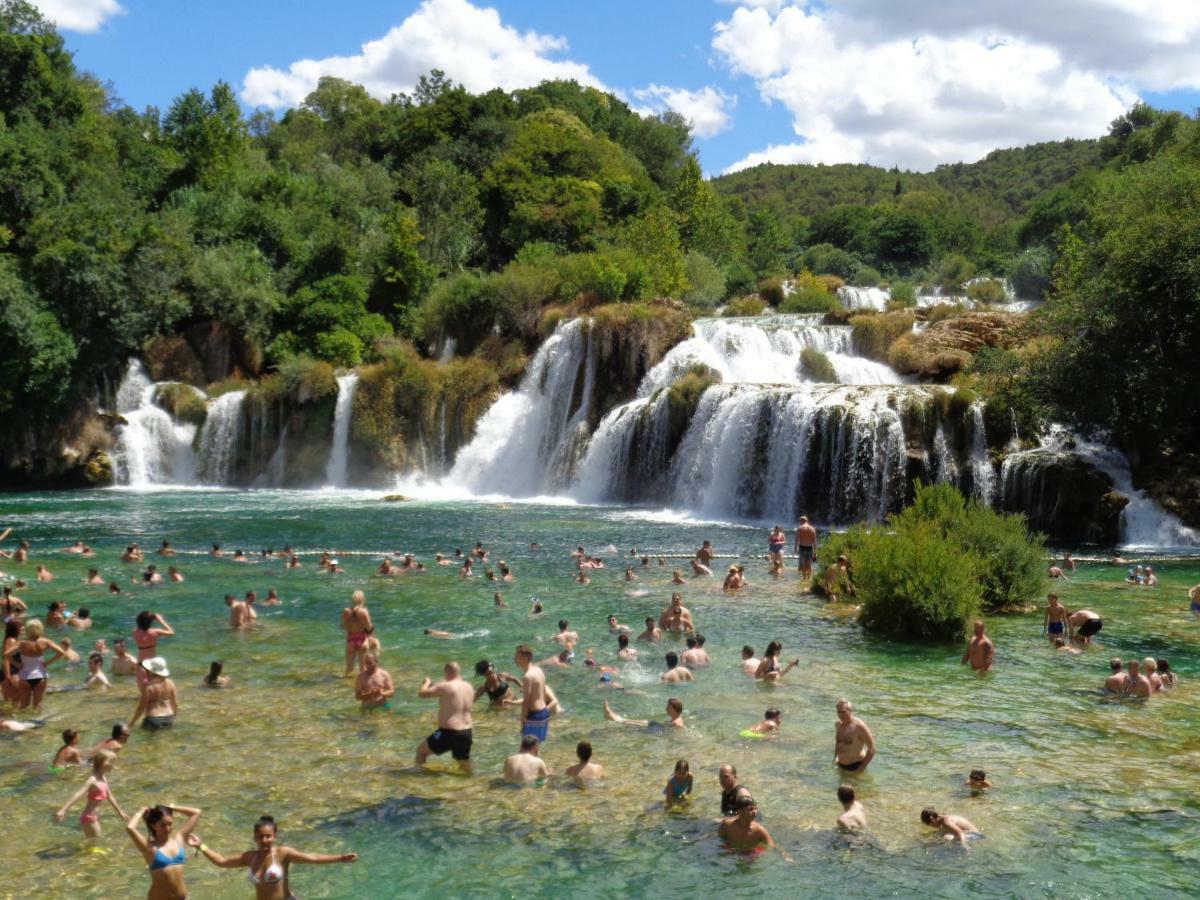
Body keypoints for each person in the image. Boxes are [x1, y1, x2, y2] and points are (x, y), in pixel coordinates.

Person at [186, 814, 357, 900]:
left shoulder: (283, 853)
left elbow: (311, 858)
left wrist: (340, 857)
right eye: (261, 836)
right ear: (255, 837)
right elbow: (222, 862)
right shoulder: (249, 857)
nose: (264, 840)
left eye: (268, 836)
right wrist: (201, 846)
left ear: (275, 836)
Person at [124, 803, 202, 899]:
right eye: (163, 825)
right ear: (153, 826)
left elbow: (196, 813)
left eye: (170, 824)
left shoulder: (179, 840)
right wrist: (141, 812)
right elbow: (130, 827)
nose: (168, 829)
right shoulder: (149, 847)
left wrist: (172, 807)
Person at [416, 661, 475, 772]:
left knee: (421, 752)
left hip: (447, 732)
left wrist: (426, 682)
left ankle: (421, 779)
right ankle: (470, 784)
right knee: (463, 763)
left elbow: (422, 693)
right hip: (466, 733)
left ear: (447, 672)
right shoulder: (469, 687)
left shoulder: (444, 686)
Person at [55, 750, 126, 839]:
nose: (114, 766)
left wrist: (120, 812)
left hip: (94, 817)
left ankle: (85, 852)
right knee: (97, 840)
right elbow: (79, 794)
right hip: (89, 817)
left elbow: (110, 796)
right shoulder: (93, 780)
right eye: (112, 762)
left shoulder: (103, 778)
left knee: (91, 842)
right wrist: (63, 810)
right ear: (103, 764)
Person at [17, 618, 68, 711]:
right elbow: (61, 652)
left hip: (24, 676)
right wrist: (48, 663)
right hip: (40, 676)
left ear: (28, 629)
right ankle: (38, 724)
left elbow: (6, 654)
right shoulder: (45, 641)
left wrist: (16, 664)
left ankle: (22, 722)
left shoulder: (22, 643)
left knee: (23, 705)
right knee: (38, 705)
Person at [128, 657, 178, 729]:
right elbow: (175, 704)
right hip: (169, 717)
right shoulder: (171, 683)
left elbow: (141, 708)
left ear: (151, 671)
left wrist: (131, 724)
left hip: (153, 719)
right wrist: (174, 718)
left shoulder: (148, 687)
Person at [516, 645, 551, 744]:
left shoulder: (527, 677)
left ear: (526, 657)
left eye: (517, 656)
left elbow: (527, 701)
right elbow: (544, 693)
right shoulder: (538, 670)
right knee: (535, 747)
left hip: (534, 716)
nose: (515, 659)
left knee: (527, 750)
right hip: (544, 713)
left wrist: (522, 721)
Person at [132, 611, 175, 688]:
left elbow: (140, 627)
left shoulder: (135, 632)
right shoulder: (155, 632)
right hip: (153, 663)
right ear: (150, 622)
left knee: (143, 690)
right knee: (156, 689)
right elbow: (171, 632)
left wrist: (147, 619)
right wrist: (161, 620)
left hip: (141, 663)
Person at [834, 699, 876, 772]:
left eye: (843, 712)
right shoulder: (838, 724)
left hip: (855, 766)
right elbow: (838, 742)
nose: (840, 715)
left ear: (850, 711)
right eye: (838, 712)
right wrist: (835, 758)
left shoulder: (859, 727)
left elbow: (872, 749)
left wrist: (860, 769)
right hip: (840, 765)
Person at [341, 591, 372, 676]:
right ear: (362, 600)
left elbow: (344, 626)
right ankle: (362, 687)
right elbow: (369, 627)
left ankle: (345, 687)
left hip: (350, 639)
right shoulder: (364, 611)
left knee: (349, 669)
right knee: (363, 669)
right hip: (362, 640)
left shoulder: (346, 611)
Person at [603, 697, 684, 729]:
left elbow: (680, 729)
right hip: (656, 726)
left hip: (656, 729)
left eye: (668, 707)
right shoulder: (676, 718)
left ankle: (613, 717)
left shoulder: (677, 723)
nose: (666, 708)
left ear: (673, 708)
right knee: (632, 721)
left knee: (631, 723)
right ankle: (613, 717)